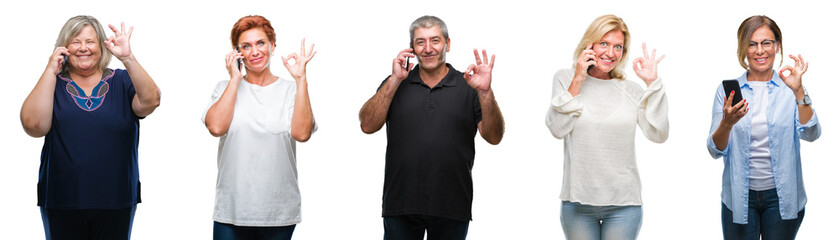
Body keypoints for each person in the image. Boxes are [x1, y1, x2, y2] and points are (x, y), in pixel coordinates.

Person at [358, 15, 505, 240]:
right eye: (420, 42)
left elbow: (494, 137)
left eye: (435, 40)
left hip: (452, 204)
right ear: (412, 48)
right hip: (401, 203)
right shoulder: (395, 82)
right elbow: (367, 125)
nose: (428, 48)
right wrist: (395, 80)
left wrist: (485, 93)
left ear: (448, 43)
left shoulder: (469, 85)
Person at [20, 15, 161, 240]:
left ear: (102, 46)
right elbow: (34, 126)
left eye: (90, 41)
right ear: (64, 47)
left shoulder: (123, 81)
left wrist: (128, 58)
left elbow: (150, 102)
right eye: (75, 41)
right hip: (61, 200)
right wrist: (50, 71)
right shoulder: (52, 84)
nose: (83, 48)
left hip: (116, 199)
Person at [545, 14, 668, 240]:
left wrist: (652, 85)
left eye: (618, 47)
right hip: (577, 203)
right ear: (589, 45)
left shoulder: (630, 89)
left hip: (624, 205)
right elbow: (557, 129)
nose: (611, 53)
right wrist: (578, 80)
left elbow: (659, 133)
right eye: (604, 44)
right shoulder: (565, 79)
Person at [202, 15, 317, 240]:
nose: (255, 51)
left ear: (272, 45)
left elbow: (302, 134)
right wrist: (235, 79)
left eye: (260, 43)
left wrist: (301, 79)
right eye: (246, 46)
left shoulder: (290, 91)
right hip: (231, 211)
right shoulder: (224, 88)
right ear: (237, 52)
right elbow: (216, 127)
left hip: (278, 212)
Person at [706, 15, 820, 240]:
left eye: (766, 43)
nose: (760, 51)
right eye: (751, 43)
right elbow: (714, 149)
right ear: (743, 49)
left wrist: (799, 93)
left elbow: (811, 133)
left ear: (776, 46)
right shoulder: (728, 91)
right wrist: (726, 124)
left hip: (782, 198)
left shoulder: (791, 89)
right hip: (739, 197)